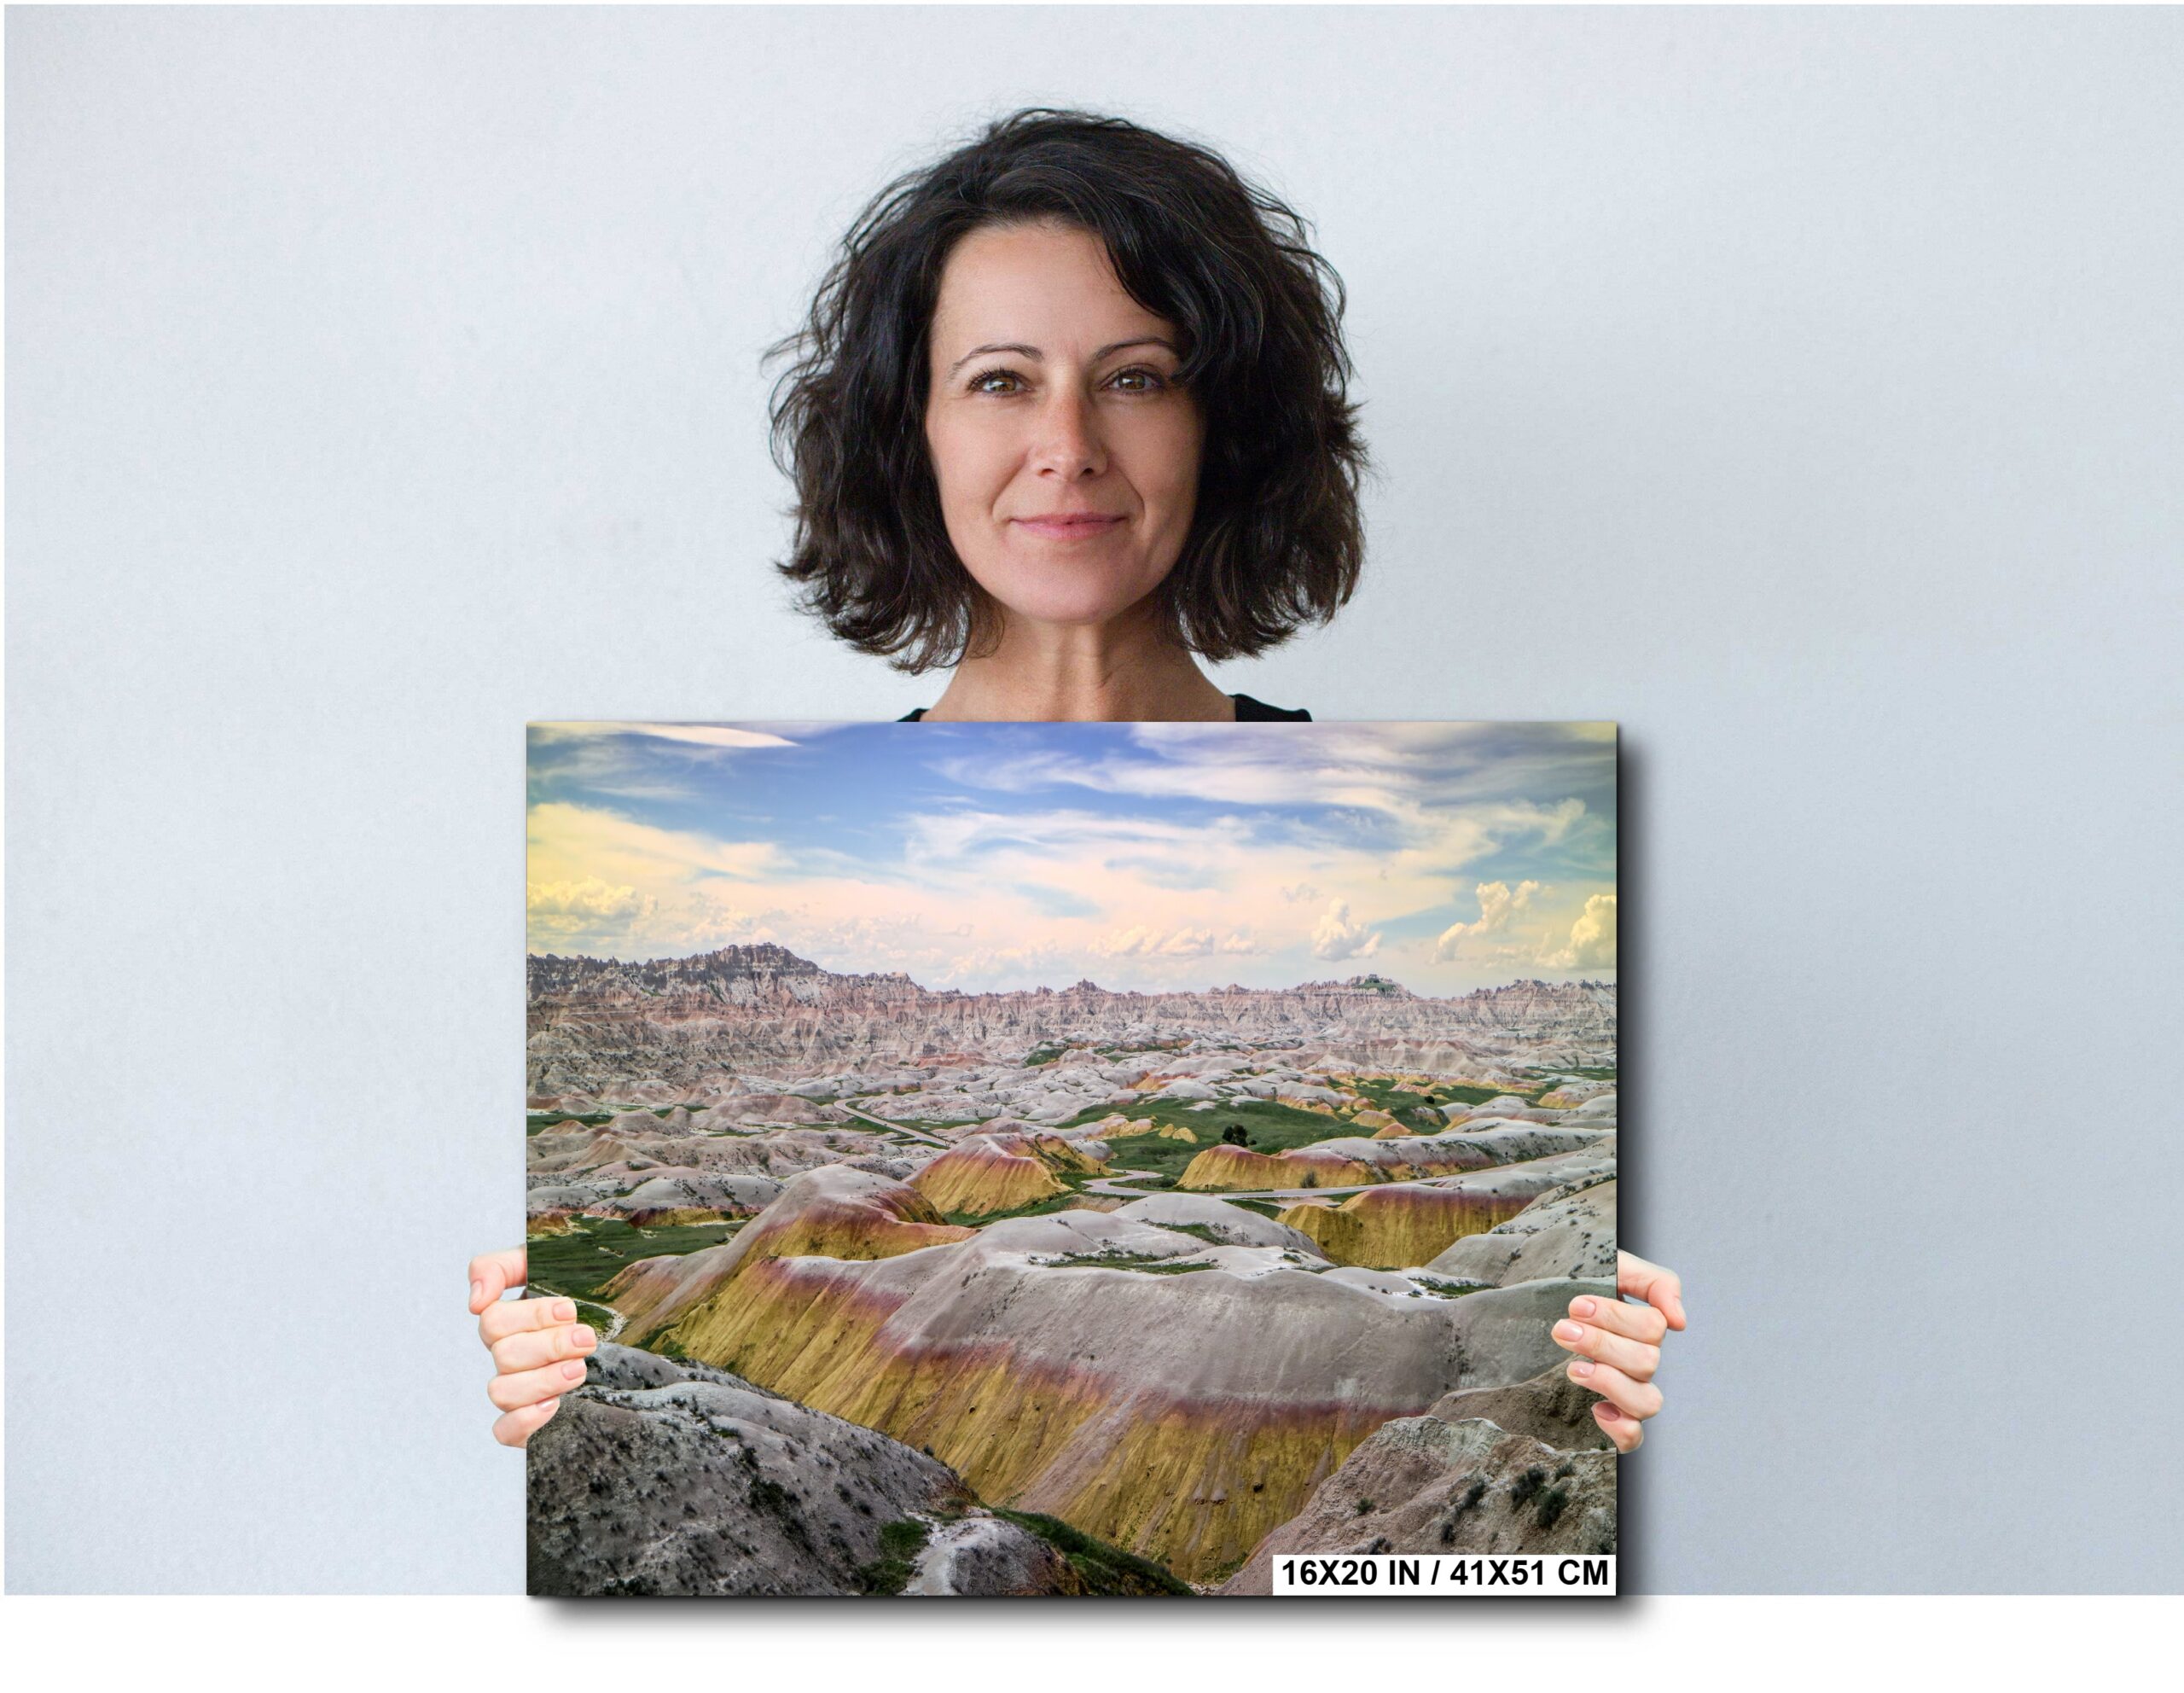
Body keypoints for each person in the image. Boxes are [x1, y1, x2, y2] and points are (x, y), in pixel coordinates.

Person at [474, 107, 1683, 1457]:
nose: (1069, 445)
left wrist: (1594, 1409)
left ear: (1223, 429)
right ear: (910, 431)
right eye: (1000, 380)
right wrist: (562, 1406)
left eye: (1137, 376)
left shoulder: (1429, 805)